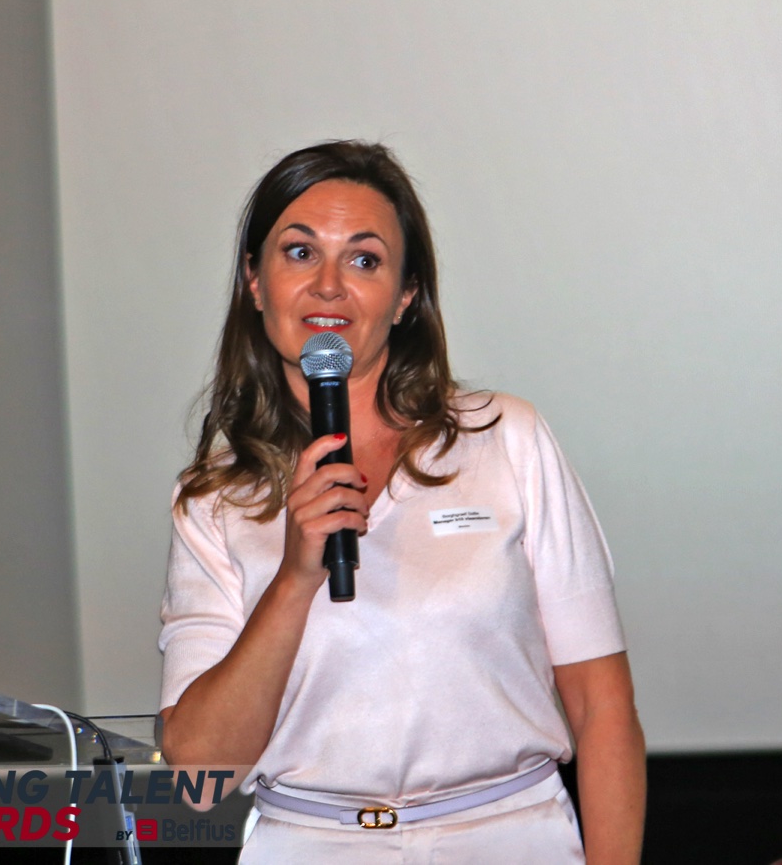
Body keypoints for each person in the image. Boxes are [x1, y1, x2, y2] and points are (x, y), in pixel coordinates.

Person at [158, 140, 645, 863]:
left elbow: (603, 710)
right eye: (299, 253)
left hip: (509, 836)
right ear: (254, 282)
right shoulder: (215, 499)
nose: (328, 286)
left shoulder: (504, 438)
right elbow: (200, 774)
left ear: (406, 296)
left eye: (364, 260)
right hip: (306, 844)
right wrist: (293, 579)